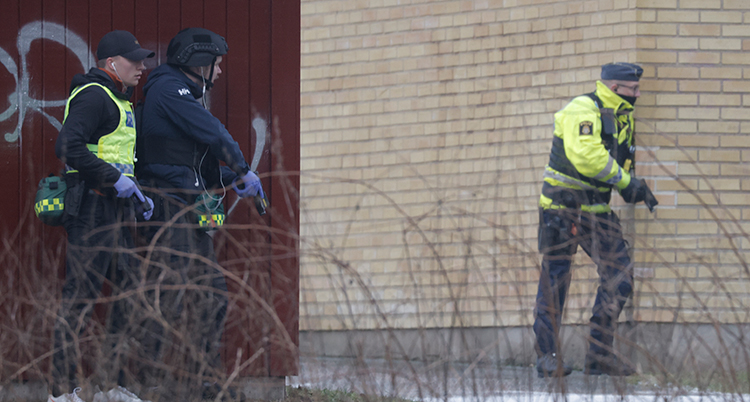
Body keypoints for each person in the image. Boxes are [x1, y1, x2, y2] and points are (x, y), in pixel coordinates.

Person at [135, 27, 262, 398]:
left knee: (211, 295)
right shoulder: (167, 90)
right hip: (168, 206)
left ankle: (204, 381)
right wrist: (241, 167)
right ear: (198, 63)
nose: (220, 71)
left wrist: (228, 178)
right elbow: (213, 133)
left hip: (186, 206)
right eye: (216, 64)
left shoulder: (184, 94)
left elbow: (192, 160)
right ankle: (149, 382)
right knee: (170, 293)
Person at [533, 62, 657, 378]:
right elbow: (587, 157)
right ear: (615, 88)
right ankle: (547, 356)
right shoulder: (582, 109)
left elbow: (618, 161)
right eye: (633, 89)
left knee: (620, 277)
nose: (638, 94)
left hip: (597, 211)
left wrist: (634, 186)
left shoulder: (621, 118)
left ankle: (599, 356)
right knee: (556, 280)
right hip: (562, 209)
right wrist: (625, 182)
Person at [51, 30, 155, 401]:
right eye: (135, 60)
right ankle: (62, 394)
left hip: (114, 208)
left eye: (143, 60)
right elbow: (67, 145)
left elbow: (114, 155)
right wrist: (113, 179)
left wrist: (135, 191)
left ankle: (114, 387)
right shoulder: (95, 96)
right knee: (79, 299)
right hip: (91, 208)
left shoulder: (119, 99)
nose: (142, 67)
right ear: (111, 63)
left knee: (128, 293)